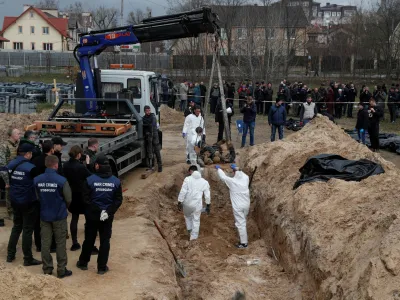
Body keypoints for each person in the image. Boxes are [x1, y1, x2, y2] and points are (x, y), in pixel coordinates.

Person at [76, 154, 123, 275]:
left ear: (97, 165)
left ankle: (83, 263)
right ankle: (102, 267)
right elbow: (118, 200)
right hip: (107, 217)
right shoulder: (116, 181)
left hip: (92, 216)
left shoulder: (90, 180)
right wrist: (107, 212)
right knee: (105, 241)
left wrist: (98, 211)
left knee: (89, 239)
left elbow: (85, 199)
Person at [34, 155, 72, 278]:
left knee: (45, 243)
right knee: (60, 243)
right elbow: (68, 198)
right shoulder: (62, 180)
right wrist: (63, 207)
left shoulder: (37, 180)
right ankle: (61, 270)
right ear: (56, 165)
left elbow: (37, 197)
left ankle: (47, 268)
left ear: (46, 164)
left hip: (44, 215)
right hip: (59, 215)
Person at [6, 143, 42, 266]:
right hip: (28, 201)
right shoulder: (31, 167)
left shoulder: (11, 164)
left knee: (16, 227)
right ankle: (28, 258)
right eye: (31, 153)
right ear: (27, 154)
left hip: (15, 200)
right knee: (27, 229)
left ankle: (10, 255)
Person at [63, 145, 95, 252]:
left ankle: (74, 242)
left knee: (74, 218)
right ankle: (89, 242)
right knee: (88, 218)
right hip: (83, 194)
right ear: (79, 154)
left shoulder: (66, 165)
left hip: (72, 194)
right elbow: (91, 177)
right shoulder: (81, 167)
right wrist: (88, 164)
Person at [215, 164, 250, 249]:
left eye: (233, 172)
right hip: (246, 204)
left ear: (235, 172)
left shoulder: (233, 182)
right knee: (243, 220)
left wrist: (219, 169)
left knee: (241, 223)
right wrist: (237, 168)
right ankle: (241, 234)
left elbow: (223, 177)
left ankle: (244, 244)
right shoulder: (245, 178)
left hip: (238, 206)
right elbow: (242, 173)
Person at [31, 140, 57, 253]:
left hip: (38, 193)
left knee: (38, 221)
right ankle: (52, 245)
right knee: (52, 220)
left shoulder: (35, 160)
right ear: (51, 149)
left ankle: (38, 245)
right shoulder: (52, 161)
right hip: (51, 193)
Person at [177, 165, 210, 241]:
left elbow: (183, 191)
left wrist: (179, 201)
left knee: (187, 217)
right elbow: (207, 195)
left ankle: (189, 230)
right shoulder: (204, 182)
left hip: (187, 204)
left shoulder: (187, 179)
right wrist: (208, 204)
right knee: (196, 220)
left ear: (191, 172)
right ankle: (193, 238)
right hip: (197, 205)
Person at [0, 128, 21, 222]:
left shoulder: (18, 145)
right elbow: (2, 165)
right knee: (9, 192)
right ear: (11, 135)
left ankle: (17, 210)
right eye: (17, 133)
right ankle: (10, 211)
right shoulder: (4, 146)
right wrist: (6, 181)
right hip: (8, 173)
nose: (19, 135)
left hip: (17, 172)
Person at [143, 105, 162, 172]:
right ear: (144, 111)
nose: (148, 112)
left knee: (157, 151)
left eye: (149, 110)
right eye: (147, 111)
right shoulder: (144, 118)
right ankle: (151, 166)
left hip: (154, 136)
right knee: (149, 151)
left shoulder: (153, 116)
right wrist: (147, 132)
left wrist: (147, 126)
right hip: (149, 136)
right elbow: (144, 127)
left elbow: (152, 125)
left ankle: (160, 166)